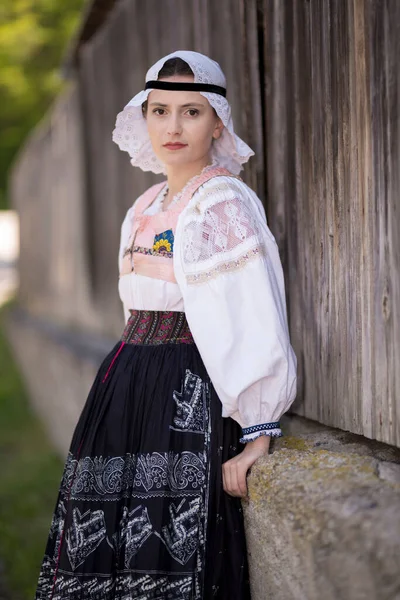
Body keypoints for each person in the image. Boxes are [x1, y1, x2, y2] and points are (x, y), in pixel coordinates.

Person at [35, 50, 297, 600]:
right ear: (144, 117)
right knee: (110, 538)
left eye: (191, 112)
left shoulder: (220, 201)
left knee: (168, 544)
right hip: (125, 380)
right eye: (160, 111)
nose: (173, 127)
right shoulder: (145, 204)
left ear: (216, 121)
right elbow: (134, 307)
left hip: (185, 389)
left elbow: (250, 311)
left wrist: (257, 428)